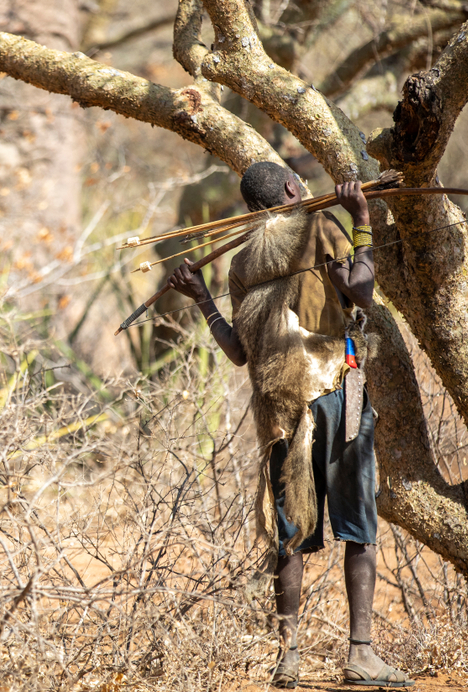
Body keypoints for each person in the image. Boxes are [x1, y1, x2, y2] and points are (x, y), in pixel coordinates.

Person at [167, 161, 414, 689]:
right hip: (334, 398)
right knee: (360, 531)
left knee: (291, 538)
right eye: (299, 187)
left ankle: (290, 658)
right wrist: (362, 218)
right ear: (289, 190)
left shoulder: (240, 263)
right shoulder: (321, 227)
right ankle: (361, 655)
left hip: (278, 415)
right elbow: (363, 292)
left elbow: (237, 352)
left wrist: (203, 298)